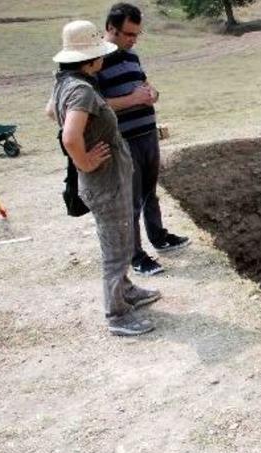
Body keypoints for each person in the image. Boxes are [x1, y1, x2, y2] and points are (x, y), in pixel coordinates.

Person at [48, 20, 159, 336]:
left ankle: (125, 290)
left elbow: (49, 112)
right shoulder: (82, 90)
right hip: (105, 182)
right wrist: (85, 161)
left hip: (109, 180)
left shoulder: (65, 84)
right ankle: (117, 315)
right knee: (115, 248)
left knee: (121, 240)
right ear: (91, 59)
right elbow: (70, 137)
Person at [99, 2, 190, 276]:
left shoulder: (132, 57)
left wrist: (153, 94)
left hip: (148, 134)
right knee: (131, 200)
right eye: (128, 34)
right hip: (125, 140)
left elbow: (147, 86)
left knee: (150, 193)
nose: (133, 39)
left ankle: (159, 237)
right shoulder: (95, 61)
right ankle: (135, 256)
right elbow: (94, 105)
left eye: (137, 34)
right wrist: (131, 100)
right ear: (110, 29)